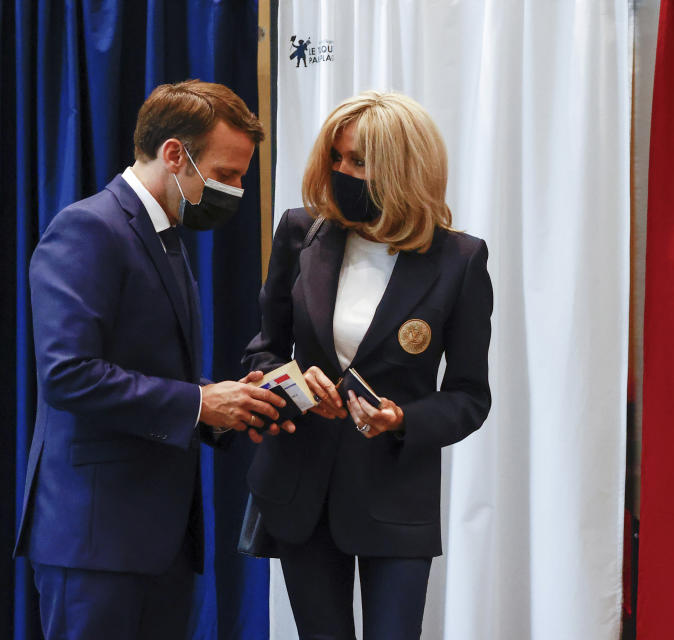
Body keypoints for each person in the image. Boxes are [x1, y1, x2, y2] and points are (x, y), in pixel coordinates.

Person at [15, 79, 294, 640]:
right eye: (229, 172)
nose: (237, 188)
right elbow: (67, 374)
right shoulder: (89, 228)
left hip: (156, 540)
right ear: (174, 154)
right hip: (95, 542)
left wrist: (233, 405)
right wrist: (199, 402)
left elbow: (155, 371)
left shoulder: (164, 235)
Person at [242, 91, 493, 639]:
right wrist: (294, 383)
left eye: (359, 160)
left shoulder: (460, 261)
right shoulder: (300, 232)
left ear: (403, 169)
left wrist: (402, 419)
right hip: (300, 490)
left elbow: (471, 395)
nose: (341, 171)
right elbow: (263, 351)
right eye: (336, 157)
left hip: (395, 496)